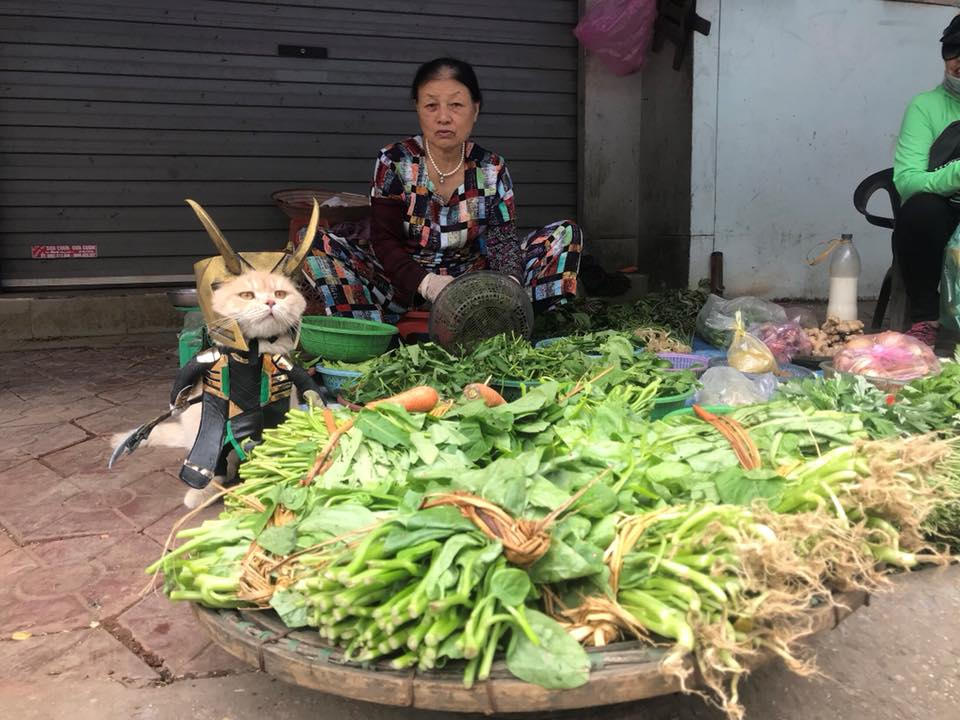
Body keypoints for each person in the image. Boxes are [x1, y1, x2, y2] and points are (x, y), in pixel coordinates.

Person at [296, 57, 583, 320]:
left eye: (456, 105)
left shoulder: (492, 168)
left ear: (475, 109)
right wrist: (427, 284)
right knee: (313, 242)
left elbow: (502, 243)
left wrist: (507, 286)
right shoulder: (395, 161)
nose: (443, 117)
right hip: (401, 287)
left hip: (473, 290)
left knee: (564, 234)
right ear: (418, 109)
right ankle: (372, 332)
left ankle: (522, 324)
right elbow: (384, 242)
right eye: (431, 105)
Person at [893, 15, 960, 346]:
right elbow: (907, 180)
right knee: (920, 211)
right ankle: (926, 317)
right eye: (954, 53)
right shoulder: (925, 107)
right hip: (943, 215)